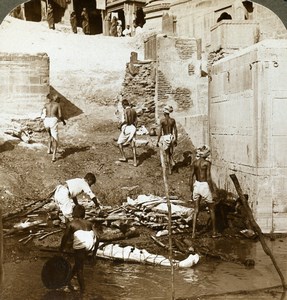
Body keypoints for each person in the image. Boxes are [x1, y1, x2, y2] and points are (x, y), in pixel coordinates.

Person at [60, 204, 99, 293]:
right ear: (83, 214)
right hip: (89, 245)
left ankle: (82, 291)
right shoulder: (89, 223)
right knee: (78, 264)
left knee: (79, 269)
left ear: (74, 213)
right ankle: (66, 282)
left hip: (81, 246)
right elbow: (98, 237)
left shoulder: (71, 224)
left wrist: (61, 250)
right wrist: (94, 254)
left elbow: (65, 238)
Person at [189, 145, 219, 238]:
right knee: (211, 209)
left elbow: (190, 177)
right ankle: (214, 232)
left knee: (196, 209)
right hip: (205, 185)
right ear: (206, 154)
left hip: (197, 185)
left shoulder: (195, 163)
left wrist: (191, 189)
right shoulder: (207, 163)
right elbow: (209, 178)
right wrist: (213, 191)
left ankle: (193, 233)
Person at [42, 94, 66, 162]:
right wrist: (63, 122)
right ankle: (53, 156)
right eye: (59, 99)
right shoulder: (57, 105)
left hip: (46, 120)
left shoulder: (46, 104)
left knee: (49, 134)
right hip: (53, 120)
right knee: (55, 138)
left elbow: (42, 114)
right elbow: (60, 115)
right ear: (56, 99)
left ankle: (49, 149)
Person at [157, 105, 178, 175]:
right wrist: (176, 139)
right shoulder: (172, 120)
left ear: (165, 113)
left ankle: (169, 169)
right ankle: (172, 161)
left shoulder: (162, 121)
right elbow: (175, 130)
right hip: (171, 136)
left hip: (165, 137)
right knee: (171, 152)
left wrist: (158, 140)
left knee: (167, 154)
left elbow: (160, 132)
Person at [117, 99, 138, 167]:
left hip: (127, 128)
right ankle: (135, 162)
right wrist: (134, 128)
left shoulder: (125, 111)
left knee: (119, 143)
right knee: (133, 145)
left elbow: (126, 120)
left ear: (123, 105)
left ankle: (123, 157)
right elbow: (136, 121)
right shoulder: (133, 111)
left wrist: (120, 125)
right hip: (133, 128)